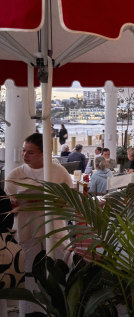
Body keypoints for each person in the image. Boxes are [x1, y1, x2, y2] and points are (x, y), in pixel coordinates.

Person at [5, 133, 73, 315]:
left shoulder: (58, 172)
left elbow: (69, 199)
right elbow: (8, 207)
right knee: (29, 279)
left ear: (44, 153)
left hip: (55, 230)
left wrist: (47, 200)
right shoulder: (15, 175)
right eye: (23, 151)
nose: (25, 156)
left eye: (31, 152)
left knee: (58, 275)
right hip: (27, 233)